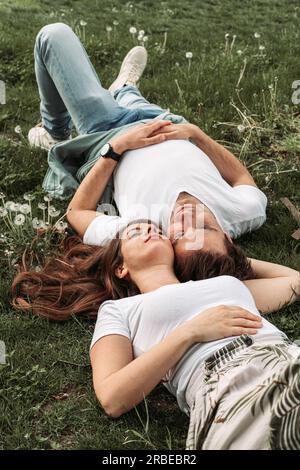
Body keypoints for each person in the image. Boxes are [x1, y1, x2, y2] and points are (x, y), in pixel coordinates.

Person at [12, 220, 300, 449]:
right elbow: (113, 398)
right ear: (121, 268)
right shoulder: (119, 310)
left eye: (158, 230)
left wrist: (223, 246)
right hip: (229, 384)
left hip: (285, 358)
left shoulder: (224, 284)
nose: (152, 231)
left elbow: (294, 282)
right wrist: (190, 332)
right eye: (137, 231)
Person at [28, 23, 267, 266]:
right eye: (205, 227)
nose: (188, 218)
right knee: (132, 99)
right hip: (167, 122)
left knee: (53, 36)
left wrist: (117, 148)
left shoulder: (144, 232)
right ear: (227, 236)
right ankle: (123, 89)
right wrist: (195, 133)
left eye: (180, 234)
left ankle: (56, 132)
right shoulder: (245, 213)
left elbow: (76, 214)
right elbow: (242, 178)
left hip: (108, 131)